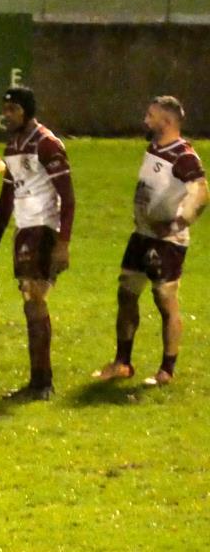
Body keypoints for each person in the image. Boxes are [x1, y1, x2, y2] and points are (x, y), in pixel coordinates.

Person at [92, 96, 206, 387]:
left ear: (166, 121)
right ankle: (122, 363)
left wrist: (175, 224)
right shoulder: (155, 148)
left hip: (167, 242)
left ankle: (167, 370)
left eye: (151, 116)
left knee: (164, 300)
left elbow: (201, 194)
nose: (145, 120)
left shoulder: (184, 156)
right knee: (126, 294)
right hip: (142, 236)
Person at [0, 87, 75, 401]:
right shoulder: (13, 145)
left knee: (35, 300)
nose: (6, 115)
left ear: (27, 111)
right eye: (4, 109)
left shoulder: (46, 144)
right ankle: (38, 380)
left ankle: (42, 383)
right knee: (29, 300)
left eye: (13, 110)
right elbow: (6, 201)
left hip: (44, 229)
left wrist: (63, 243)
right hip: (24, 230)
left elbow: (68, 198)